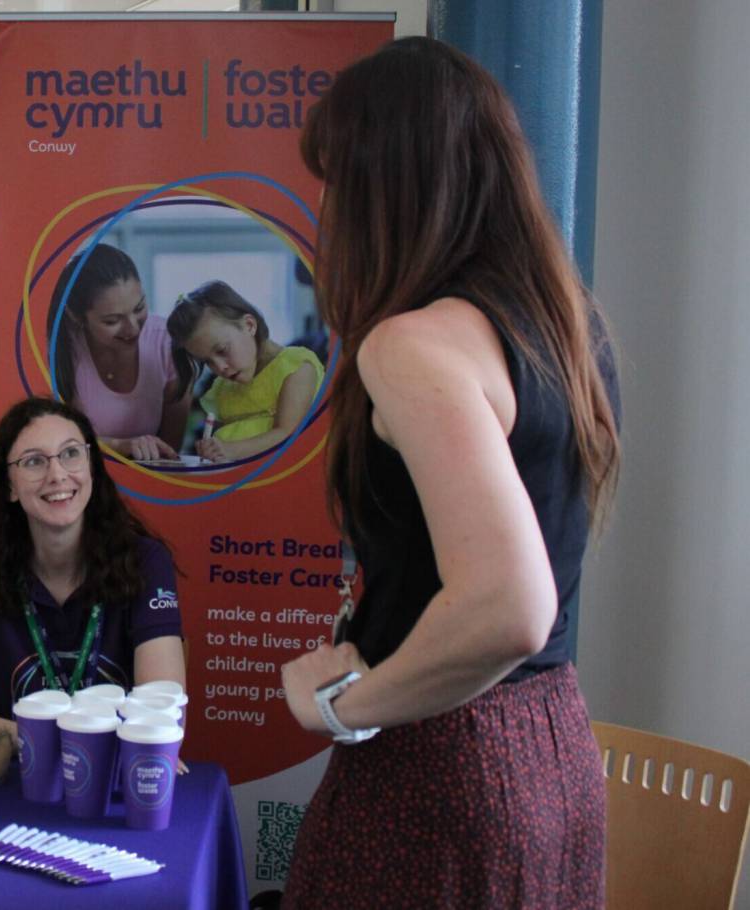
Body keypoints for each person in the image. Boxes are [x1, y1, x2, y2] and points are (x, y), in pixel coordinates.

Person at [276, 38, 621, 909]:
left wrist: (345, 705)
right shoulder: (567, 326)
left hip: (441, 769)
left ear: (386, 185)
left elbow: (508, 607)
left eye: (336, 182)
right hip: (553, 747)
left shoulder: (413, 345)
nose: (328, 210)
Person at [0, 397, 185, 734]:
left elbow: (161, 718)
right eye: (34, 461)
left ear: (91, 466)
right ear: (10, 485)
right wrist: (49, 743)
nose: (57, 475)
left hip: (113, 777)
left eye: (70, 454)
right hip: (15, 773)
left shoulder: (145, 561)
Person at [47, 243, 190, 461]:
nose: (132, 328)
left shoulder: (166, 343)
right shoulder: (57, 348)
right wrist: (118, 446)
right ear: (76, 317)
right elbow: (47, 441)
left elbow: (168, 453)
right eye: (112, 320)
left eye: (139, 308)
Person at [166, 280, 323, 462]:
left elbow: (287, 434)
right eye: (207, 361)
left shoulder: (296, 367)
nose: (219, 368)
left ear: (249, 325)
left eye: (222, 350)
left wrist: (230, 450)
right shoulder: (224, 388)